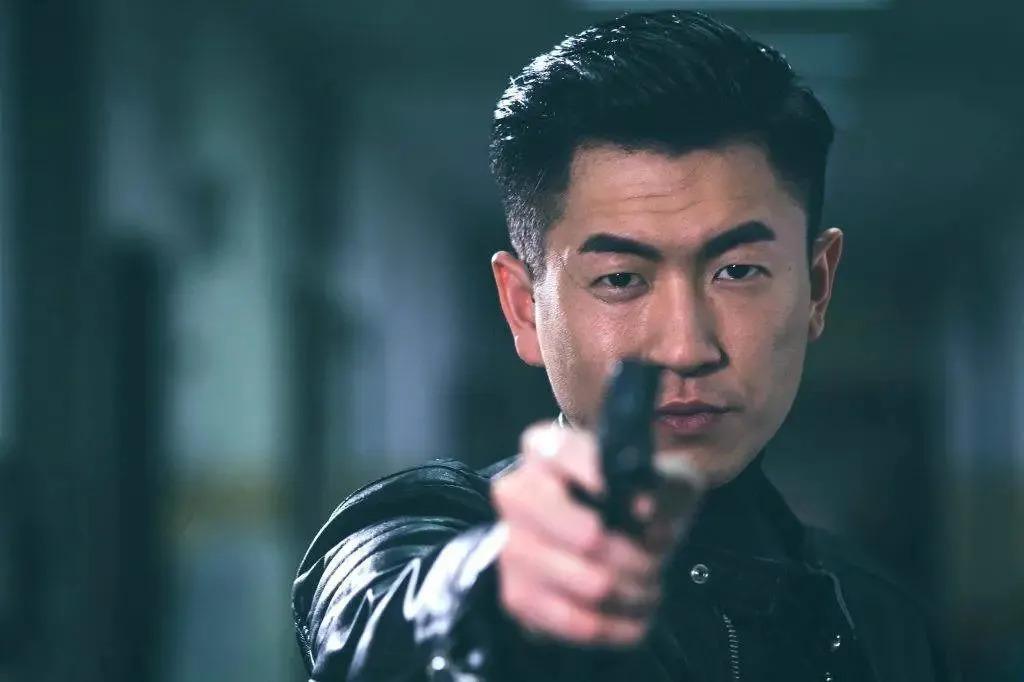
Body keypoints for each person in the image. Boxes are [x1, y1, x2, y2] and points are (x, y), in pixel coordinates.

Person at [291, 10, 958, 681]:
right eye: (620, 279)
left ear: (817, 286)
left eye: (738, 271)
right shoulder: (425, 533)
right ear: (524, 308)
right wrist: (493, 593)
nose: (685, 347)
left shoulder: (878, 618)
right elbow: (378, 619)